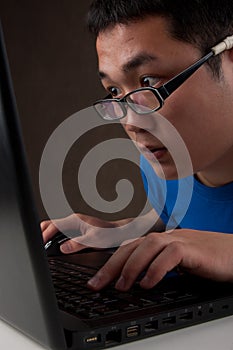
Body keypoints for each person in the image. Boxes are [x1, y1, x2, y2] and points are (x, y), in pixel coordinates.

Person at [41, 0, 233, 292]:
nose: (131, 122)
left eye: (150, 81)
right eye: (115, 91)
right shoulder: (159, 167)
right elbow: (194, 217)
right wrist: (132, 229)